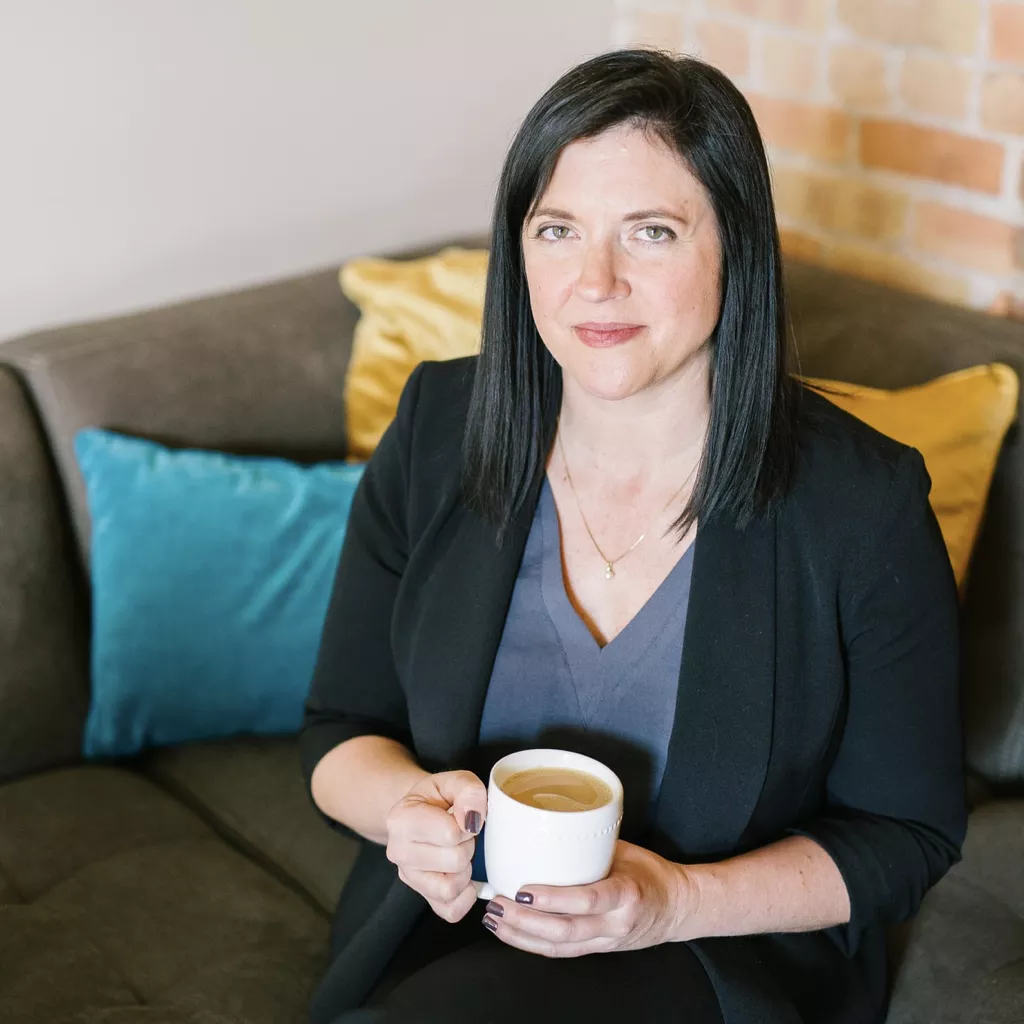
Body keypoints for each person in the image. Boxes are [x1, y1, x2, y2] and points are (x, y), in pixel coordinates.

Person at [299, 49, 966, 1024]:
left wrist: (669, 903)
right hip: (446, 923)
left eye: (650, 232)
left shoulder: (860, 501)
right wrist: (405, 812)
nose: (594, 280)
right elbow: (337, 730)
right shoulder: (438, 425)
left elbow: (905, 832)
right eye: (557, 230)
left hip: (714, 951)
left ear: (735, 245)